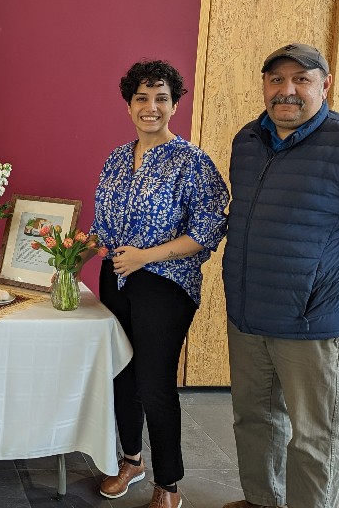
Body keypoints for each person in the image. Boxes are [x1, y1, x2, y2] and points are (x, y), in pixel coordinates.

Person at [222, 43, 339, 508]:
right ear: (265, 86)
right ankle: (262, 500)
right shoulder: (247, 141)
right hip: (249, 314)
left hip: (314, 325)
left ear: (325, 86)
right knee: (254, 419)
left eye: (301, 79)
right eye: (276, 80)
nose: (287, 91)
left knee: (313, 435)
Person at [89, 60, 229, 508]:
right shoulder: (115, 157)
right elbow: (103, 225)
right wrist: (70, 245)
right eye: (142, 98)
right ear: (129, 104)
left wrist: (145, 256)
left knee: (154, 382)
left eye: (161, 98)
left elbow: (207, 230)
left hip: (165, 283)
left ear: (174, 103)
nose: (151, 107)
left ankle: (168, 484)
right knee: (121, 375)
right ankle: (131, 460)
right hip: (116, 278)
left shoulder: (193, 162)